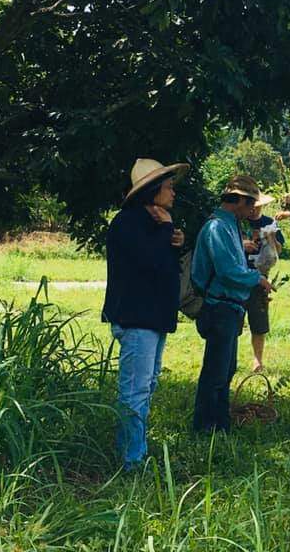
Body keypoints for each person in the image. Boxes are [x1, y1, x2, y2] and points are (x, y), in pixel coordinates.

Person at [102, 158, 188, 470]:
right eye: (168, 187)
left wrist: (174, 240)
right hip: (137, 318)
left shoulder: (152, 222)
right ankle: (131, 460)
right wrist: (166, 231)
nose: (173, 193)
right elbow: (151, 264)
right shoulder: (128, 223)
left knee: (146, 385)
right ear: (152, 191)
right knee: (135, 390)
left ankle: (136, 450)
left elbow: (165, 266)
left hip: (151, 318)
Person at [191, 175, 273, 433]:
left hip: (232, 306)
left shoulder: (232, 226)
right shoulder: (217, 227)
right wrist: (257, 279)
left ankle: (221, 425)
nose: (252, 211)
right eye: (250, 205)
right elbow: (227, 271)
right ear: (238, 201)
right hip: (219, 307)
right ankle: (206, 428)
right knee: (216, 372)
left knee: (226, 370)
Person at [243, 193, 284, 372]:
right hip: (239, 274)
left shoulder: (269, 223)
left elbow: (279, 250)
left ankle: (257, 360)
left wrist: (271, 238)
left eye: (257, 206)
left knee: (259, 321)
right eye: (251, 205)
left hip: (261, 277)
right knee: (234, 321)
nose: (253, 209)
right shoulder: (239, 221)